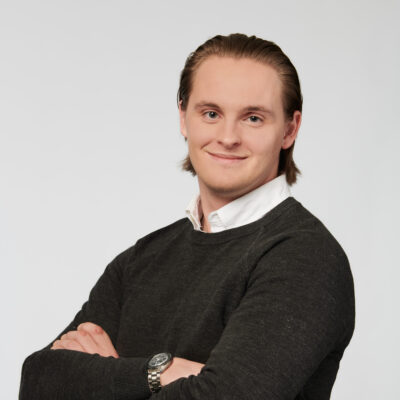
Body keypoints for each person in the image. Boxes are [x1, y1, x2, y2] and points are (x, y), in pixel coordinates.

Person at [19, 33, 355, 400]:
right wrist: (162, 371)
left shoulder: (305, 257)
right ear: (183, 117)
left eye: (253, 118)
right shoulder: (142, 259)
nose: (228, 137)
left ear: (290, 129)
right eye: (211, 114)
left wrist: (108, 375)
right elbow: (37, 382)